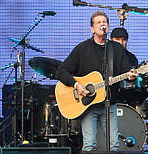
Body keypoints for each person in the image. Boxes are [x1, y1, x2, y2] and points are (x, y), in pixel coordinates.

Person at [56, 11, 136, 152]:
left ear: (108, 27)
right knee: (89, 146)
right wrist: (77, 85)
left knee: (114, 146)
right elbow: (61, 71)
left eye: (104, 22)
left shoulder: (116, 49)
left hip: (109, 103)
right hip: (88, 106)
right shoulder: (82, 49)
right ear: (92, 29)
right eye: (98, 22)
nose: (102, 24)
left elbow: (126, 68)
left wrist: (131, 74)